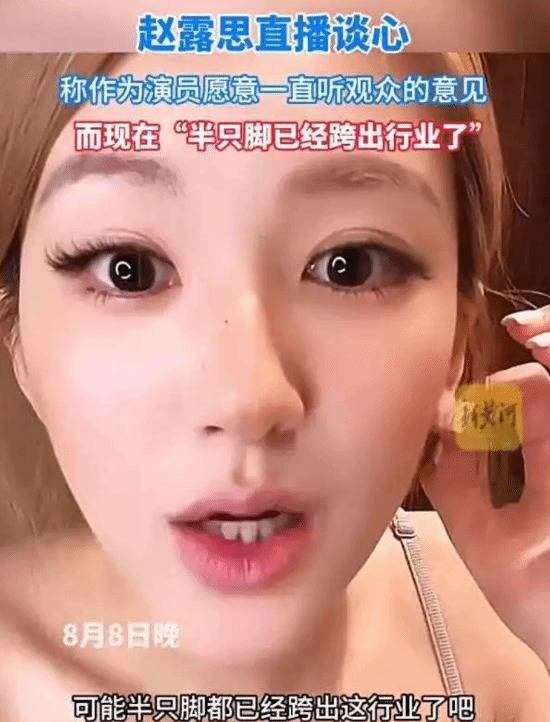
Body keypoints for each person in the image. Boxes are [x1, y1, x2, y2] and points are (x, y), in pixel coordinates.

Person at [0, 41, 549, 722]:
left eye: (351, 265)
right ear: (18, 339)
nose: (249, 400)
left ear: (456, 349)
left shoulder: (512, 624)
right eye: (127, 269)